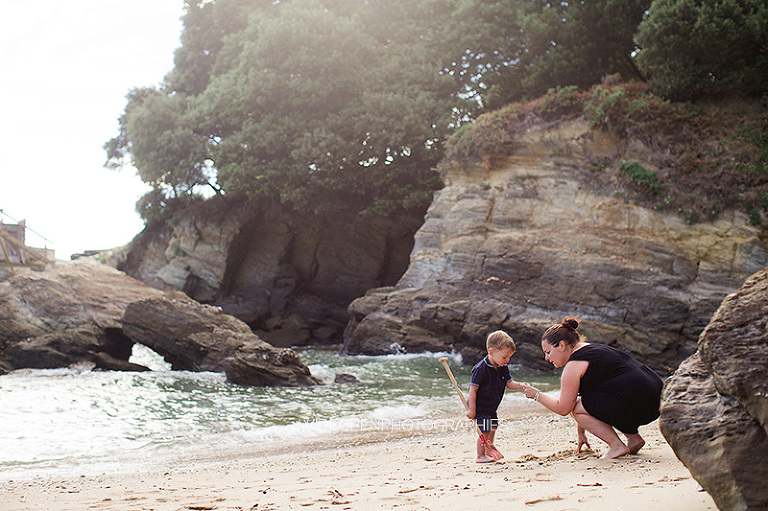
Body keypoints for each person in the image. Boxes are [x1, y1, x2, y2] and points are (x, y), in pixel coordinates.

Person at [523, 317, 663, 459]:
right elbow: (587, 399)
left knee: (576, 409)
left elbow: (564, 408)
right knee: (599, 398)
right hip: (658, 399)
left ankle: (617, 446)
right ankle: (633, 439)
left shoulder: (574, 365)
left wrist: (536, 395)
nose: (547, 358)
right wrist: (581, 433)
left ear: (562, 345)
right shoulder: (591, 349)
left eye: (548, 352)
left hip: (640, 401)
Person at [467, 330, 526, 463]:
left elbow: (509, 383)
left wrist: (521, 385)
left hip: (491, 405)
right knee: (485, 429)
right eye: (505, 357)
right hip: (480, 405)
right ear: (491, 352)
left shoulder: (502, 366)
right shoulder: (480, 369)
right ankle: (480, 455)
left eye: (509, 357)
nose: (507, 360)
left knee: (493, 426)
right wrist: (472, 409)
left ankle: (488, 448)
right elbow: (473, 390)